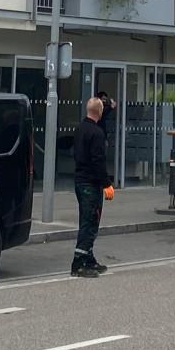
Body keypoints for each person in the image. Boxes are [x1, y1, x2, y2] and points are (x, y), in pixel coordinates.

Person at [71, 97, 112, 277]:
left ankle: (89, 258)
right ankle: (78, 264)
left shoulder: (80, 129)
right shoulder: (97, 133)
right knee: (90, 222)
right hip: (91, 184)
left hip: (80, 180)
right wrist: (106, 184)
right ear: (100, 112)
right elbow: (98, 161)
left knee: (85, 220)